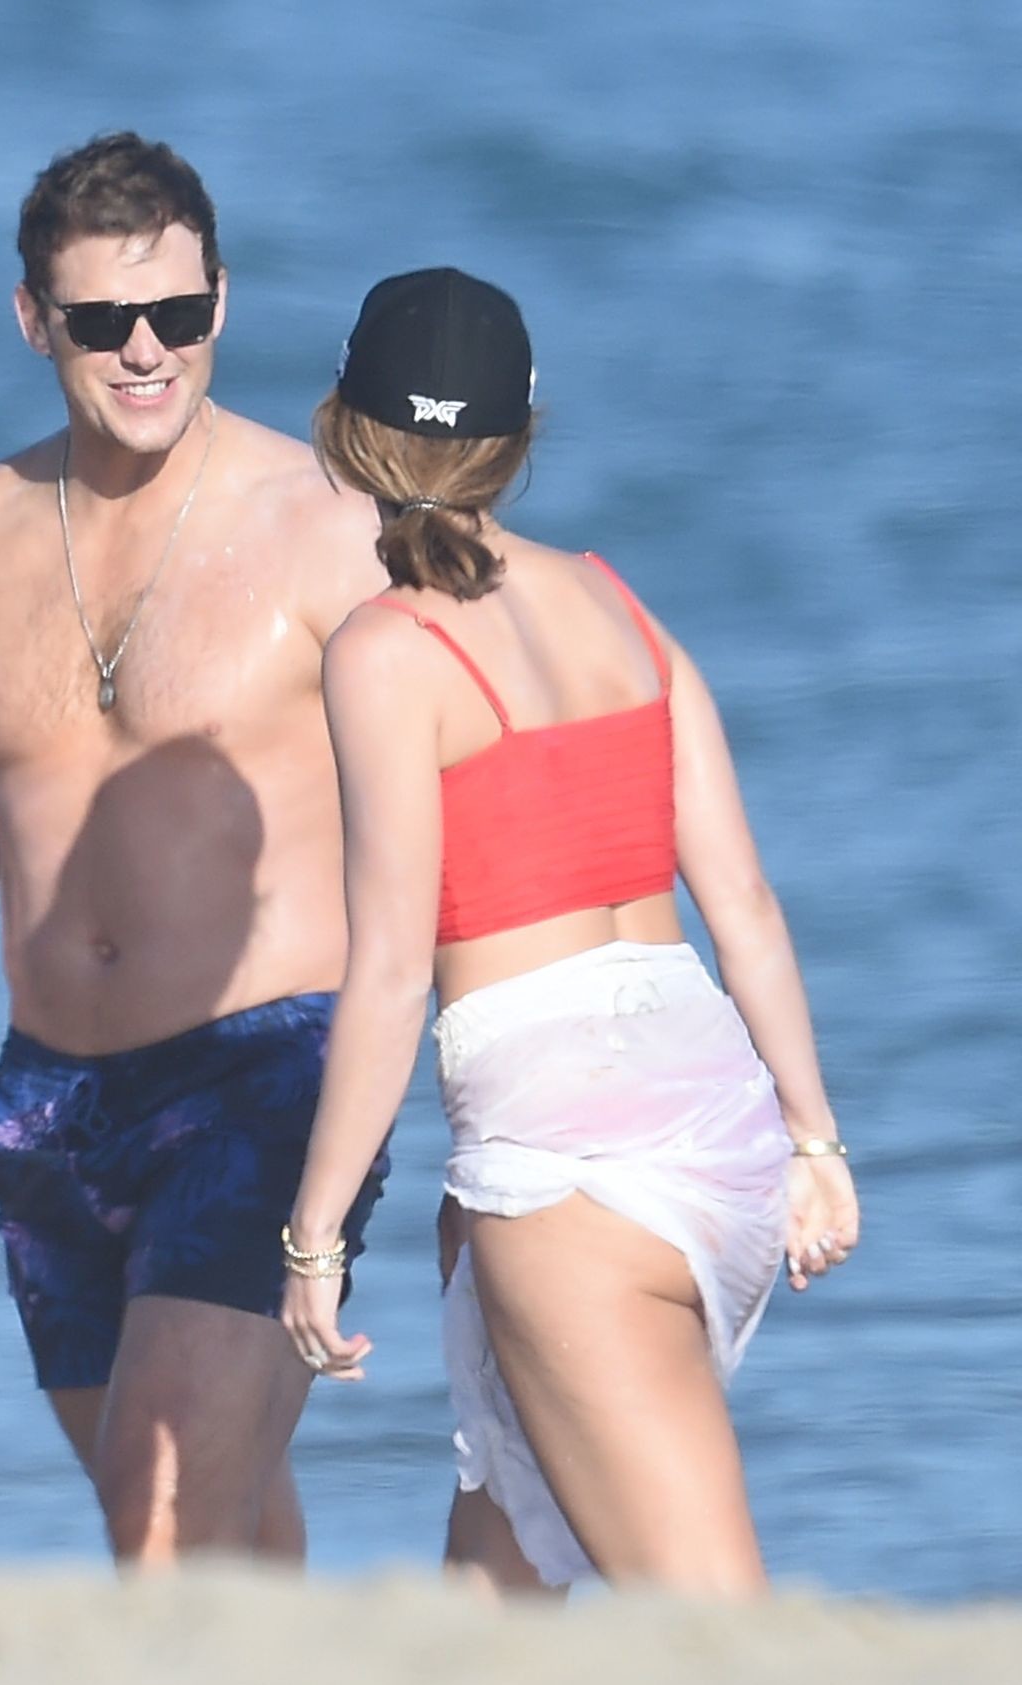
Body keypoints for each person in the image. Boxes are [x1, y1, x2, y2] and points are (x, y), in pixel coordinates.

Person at [0, 131, 391, 1566]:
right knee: (213, 1532)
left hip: (269, 1079)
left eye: (179, 313)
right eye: (103, 322)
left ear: (222, 302)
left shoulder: (333, 533)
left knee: (164, 1512)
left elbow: (466, 803)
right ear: (35, 320)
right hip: (49, 1109)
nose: (148, 351)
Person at [280, 267, 860, 1596]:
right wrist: (815, 1143)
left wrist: (315, 1238)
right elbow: (745, 907)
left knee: (715, 1629)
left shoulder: (385, 650)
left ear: (343, 430)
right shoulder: (617, 603)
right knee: (499, 1572)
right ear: (521, 431)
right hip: (719, 1123)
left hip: (571, 1171)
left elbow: (391, 977)